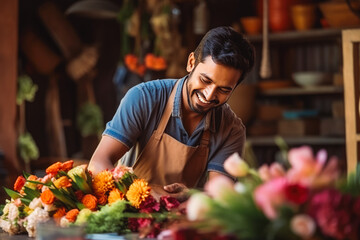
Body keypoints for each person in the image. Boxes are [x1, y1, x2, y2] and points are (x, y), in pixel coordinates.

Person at [88, 26, 255, 201]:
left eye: (223, 90)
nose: (209, 95)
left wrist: (190, 196)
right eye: (205, 80)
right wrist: (146, 191)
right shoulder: (144, 98)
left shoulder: (231, 129)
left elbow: (222, 197)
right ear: (191, 62)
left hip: (181, 217)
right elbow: (97, 164)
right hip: (128, 212)